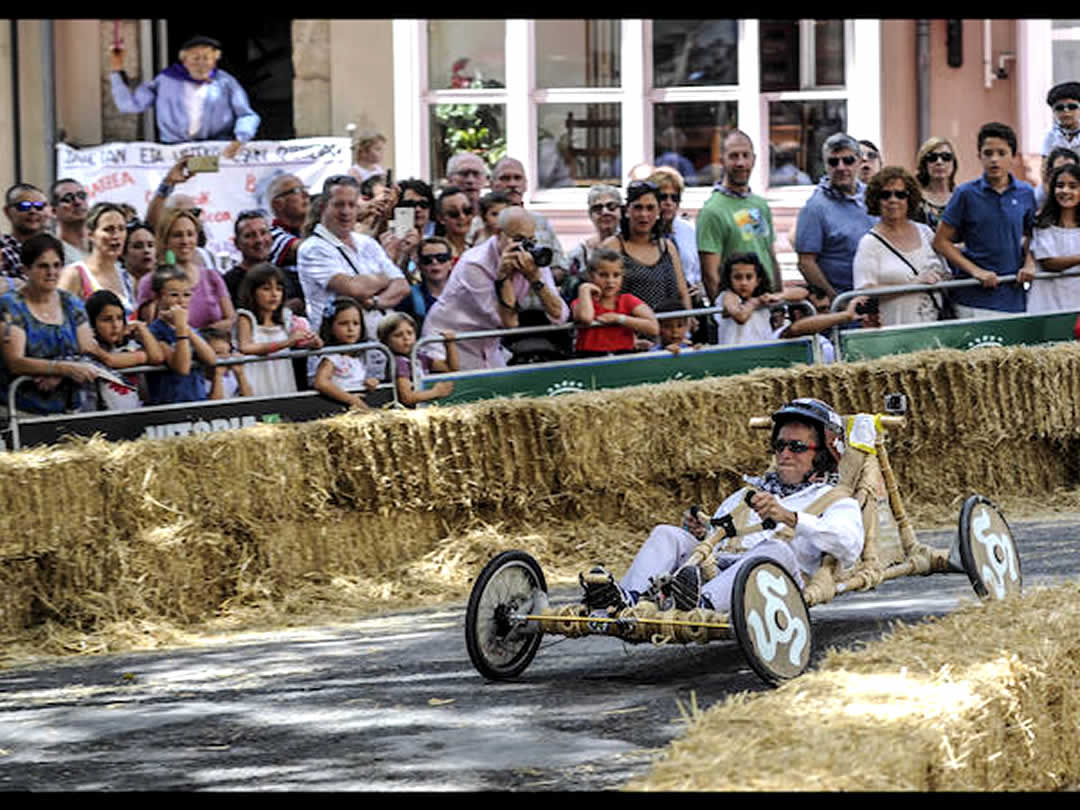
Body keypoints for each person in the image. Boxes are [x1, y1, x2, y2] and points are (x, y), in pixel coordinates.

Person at [581, 398, 863, 615]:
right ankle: (626, 598)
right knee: (667, 533)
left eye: (797, 447)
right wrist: (702, 532)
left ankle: (702, 605)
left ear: (825, 453)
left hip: (775, 581)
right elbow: (713, 544)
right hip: (716, 571)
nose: (784, 454)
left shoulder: (837, 500)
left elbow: (849, 546)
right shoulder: (747, 495)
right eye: (779, 446)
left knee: (775, 549)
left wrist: (789, 517)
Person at [419, 206, 568, 371]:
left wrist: (535, 279)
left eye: (531, 240)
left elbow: (560, 315)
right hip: (448, 339)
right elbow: (507, 322)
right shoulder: (474, 264)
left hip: (487, 343)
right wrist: (504, 276)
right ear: (498, 233)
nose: (525, 247)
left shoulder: (531, 258)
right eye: (518, 239)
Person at [933, 122, 1037, 319]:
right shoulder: (965, 193)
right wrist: (976, 272)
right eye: (988, 153)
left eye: (1001, 153)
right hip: (972, 297)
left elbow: (1034, 234)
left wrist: (1029, 263)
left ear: (1013, 157)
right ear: (979, 156)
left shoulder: (1026, 193)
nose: (994, 160)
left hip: (1013, 296)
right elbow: (941, 241)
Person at [296, 173, 409, 354]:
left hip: (380, 348)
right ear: (324, 206)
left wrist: (374, 302)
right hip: (337, 355)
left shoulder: (367, 243)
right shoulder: (313, 248)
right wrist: (384, 278)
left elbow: (402, 286)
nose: (346, 211)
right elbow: (353, 288)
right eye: (339, 204)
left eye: (351, 205)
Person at [0, 234, 112, 414]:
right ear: (26, 269)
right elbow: (16, 361)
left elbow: (87, 351)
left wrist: (60, 375)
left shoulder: (71, 303)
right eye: (43, 266)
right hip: (20, 412)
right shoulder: (10, 305)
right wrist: (61, 368)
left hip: (71, 409)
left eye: (57, 265)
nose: (51, 272)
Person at [109, 34, 259, 151]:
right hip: (174, 150)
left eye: (206, 58)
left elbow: (247, 115)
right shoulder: (165, 80)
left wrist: (240, 138)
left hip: (216, 148)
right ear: (184, 60)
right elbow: (130, 105)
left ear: (215, 60)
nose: (201, 63)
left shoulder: (225, 82)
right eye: (195, 58)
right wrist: (117, 69)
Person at [853, 166, 950, 326]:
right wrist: (913, 284)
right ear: (876, 200)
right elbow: (864, 291)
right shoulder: (869, 243)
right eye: (885, 195)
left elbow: (946, 273)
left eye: (900, 194)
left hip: (937, 326)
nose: (893, 200)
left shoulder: (925, 232)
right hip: (895, 331)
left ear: (909, 199)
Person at [697, 130, 781, 302]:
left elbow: (769, 256)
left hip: (764, 307)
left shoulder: (759, 205)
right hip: (735, 312)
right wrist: (724, 315)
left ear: (754, 160)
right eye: (733, 156)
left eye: (745, 155)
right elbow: (710, 274)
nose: (740, 162)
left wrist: (778, 300)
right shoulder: (712, 211)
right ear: (722, 161)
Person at [795, 133, 876, 305]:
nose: (841, 167)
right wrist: (837, 301)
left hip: (879, 299)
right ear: (825, 166)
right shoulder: (815, 208)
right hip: (845, 307)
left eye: (848, 160)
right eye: (833, 162)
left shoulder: (873, 196)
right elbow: (806, 262)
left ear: (859, 162)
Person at [601, 180, 691, 316]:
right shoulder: (612, 247)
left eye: (650, 208)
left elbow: (682, 293)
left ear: (658, 211)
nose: (644, 214)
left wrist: (688, 319)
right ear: (627, 211)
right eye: (638, 207)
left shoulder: (667, 247)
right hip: (628, 331)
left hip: (668, 331)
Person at [136, 209, 235, 331]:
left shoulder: (211, 277)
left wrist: (203, 333)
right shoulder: (150, 281)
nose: (185, 241)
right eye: (177, 235)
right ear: (165, 241)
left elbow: (231, 320)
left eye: (190, 234)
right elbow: (150, 327)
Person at [235, 263, 321, 397]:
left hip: (281, 376)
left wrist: (313, 341)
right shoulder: (246, 317)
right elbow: (246, 347)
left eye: (279, 289)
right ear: (252, 292)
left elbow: (300, 343)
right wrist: (286, 343)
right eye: (266, 289)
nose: (274, 294)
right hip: (257, 377)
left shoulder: (286, 317)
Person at [483, 157, 569, 282]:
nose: (512, 184)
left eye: (517, 178)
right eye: (505, 178)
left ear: (526, 185)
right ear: (491, 184)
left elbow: (560, 268)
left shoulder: (540, 221)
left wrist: (537, 273)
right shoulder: (479, 223)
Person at [144, 264, 219, 405]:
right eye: (173, 295)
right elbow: (182, 368)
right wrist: (181, 328)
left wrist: (185, 328)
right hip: (169, 404)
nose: (181, 301)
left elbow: (211, 359)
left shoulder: (189, 329)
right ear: (157, 297)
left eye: (186, 295)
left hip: (197, 400)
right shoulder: (154, 332)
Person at [82, 289, 164, 411]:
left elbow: (157, 357)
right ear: (92, 323)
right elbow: (109, 360)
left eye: (120, 318)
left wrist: (140, 327)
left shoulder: (130, 346)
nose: (115, 325)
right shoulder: (87, 349)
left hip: (134, 415)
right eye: (107, 319)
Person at [571, 248, 658, 357]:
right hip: (590, 358)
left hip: (623, 356)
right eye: (603, 275)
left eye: (616, 275)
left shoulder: (627, 300)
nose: (610, 281)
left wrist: (619, 318)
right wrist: (584, 289)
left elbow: (653, 327)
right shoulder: (583, 301)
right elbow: (586, 318)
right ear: (591, 275)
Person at [649, 167, 705, 326]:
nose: (669, 203)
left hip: (690, 305)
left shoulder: (688, 229)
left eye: (674, 198)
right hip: (658, 309)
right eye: (663, 197)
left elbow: (697, 268)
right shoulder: (643, 231)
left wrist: (699, 287)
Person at [59, 203, 136, 313]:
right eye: (108, 229)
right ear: (91, 234)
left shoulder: (128, 279)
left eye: (121, 229)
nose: (116, 236)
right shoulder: (74, 274)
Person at [309, 296, 381, 409]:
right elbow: (321, 383)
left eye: (356, 323)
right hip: (340, 409)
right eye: (343, 323)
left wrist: (370, 382)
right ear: (330, 326)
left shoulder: (359, 357)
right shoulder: (331, 357)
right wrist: (352, 400)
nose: (351, 328)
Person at [717, 252, 803, 345]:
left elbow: (803, 292)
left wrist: (778, 296)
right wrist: (754, 303)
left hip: (762, 352)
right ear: (729, 280)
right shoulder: (727, 296)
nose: (743, 283)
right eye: (737, 278)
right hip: (735, 354)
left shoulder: (763, 297)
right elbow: (740, 316)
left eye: (749, 277)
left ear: (758, 281)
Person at [1029, 163, 1080, 315]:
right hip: (1046, 303)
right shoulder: (1043, 223)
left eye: (1073, 186)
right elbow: (1048, 263)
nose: (1065, 191)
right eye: (1060, 185)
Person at [377, 311, 458, 408]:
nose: (406, 338)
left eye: (410, 333)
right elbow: (407, 398)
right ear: (386, 341)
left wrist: (450, 344)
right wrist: (436, 392)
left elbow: (451, 369)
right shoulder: (399, 362)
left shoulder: (419, 357)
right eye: (398, 335)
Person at [564, 184, 623, 301]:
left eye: (611, 206)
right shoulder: (579, 253)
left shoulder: (632, 244)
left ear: (621, 211)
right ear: (590, 215)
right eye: (597, 208)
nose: (605, 212)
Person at [395, 236, 453, 330]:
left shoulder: (463, 294)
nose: (435, 262)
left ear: (451, 263)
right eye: (427, 260)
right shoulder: (408, 297)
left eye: (441, 258)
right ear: (419, 265)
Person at [223, 209, 274, 306]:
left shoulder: (282, 275)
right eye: (250, 235)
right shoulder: (227, 284)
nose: (259, 240)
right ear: (237, 243)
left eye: (263, 233)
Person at [1, 183, 49, 285]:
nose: (33, 211)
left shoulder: (55, 247)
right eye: (24, 206)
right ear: (7, 212)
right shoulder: (3, 249)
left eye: (39, 206)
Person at [913, 137, 959, 230]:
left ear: (953, 163)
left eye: (946, 157)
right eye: (932, 158)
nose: (939, 162)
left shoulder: (963, 197)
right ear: (924, 164)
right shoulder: (914, 199)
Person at [201, 327, 253, 400]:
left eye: (229, 352)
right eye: (218, 353)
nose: (226, 357)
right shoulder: (200, 382)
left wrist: (240, 374)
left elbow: (250, 399)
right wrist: (218, 376)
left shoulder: (231, 378)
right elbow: (214, 406)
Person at [50, 178, 89, 265]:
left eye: (81, 196)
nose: (78, 202)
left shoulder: (101, 245)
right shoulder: (52, 251)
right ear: (53, 211)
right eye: (67, 199)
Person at [433, 185, 474, 262]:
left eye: (467, 210)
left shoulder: (475, 248)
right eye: (454, 213)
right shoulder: (434, 252)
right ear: (441, 218)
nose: (462, 217)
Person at [1035, 147, 1079, 213]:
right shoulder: (1038, 197)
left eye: (1070, 170)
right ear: (1049, 172)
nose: (1065, 174)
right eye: (1058, 170)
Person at [1042, 81, 1080, 157]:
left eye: (1072, 107)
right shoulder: (1051, 138)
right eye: (1059, 108)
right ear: (1053, 111)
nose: (1066, 111)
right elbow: (1045, 167)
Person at [121, 220, 157, 290]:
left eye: (150, 245)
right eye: (138, 246)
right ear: (123, 253)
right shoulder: (117, 284)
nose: (146, 250)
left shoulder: (165, 283)